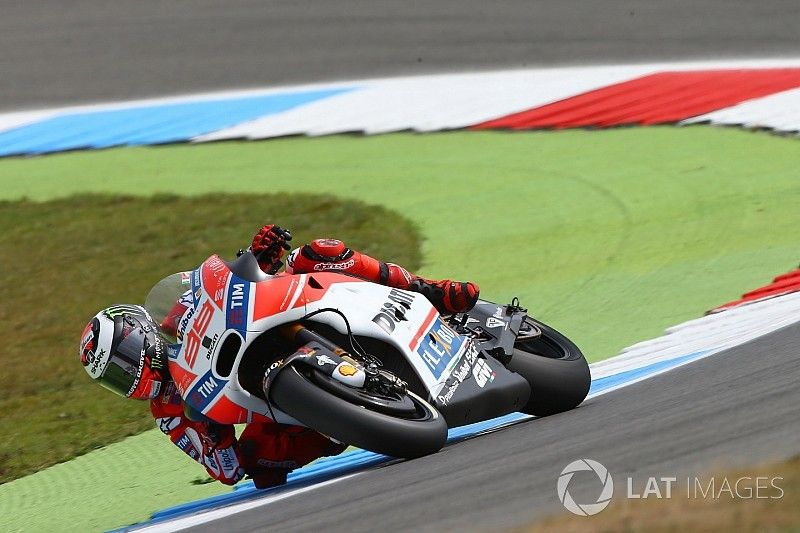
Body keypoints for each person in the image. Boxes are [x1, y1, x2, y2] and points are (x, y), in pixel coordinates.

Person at [79, 225, 479, 488]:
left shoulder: (176, 312)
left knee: (318, 252)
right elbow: (226, 470)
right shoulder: (167, 412)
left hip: (269, 319)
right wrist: (210, 427)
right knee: (259, 465)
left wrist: (261, 257)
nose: (128, 374)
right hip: (270, 405)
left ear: (144, 331)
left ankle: (428, 290)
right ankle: (335, 419)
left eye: (125, 359)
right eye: (114, 377)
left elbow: (226, 288)